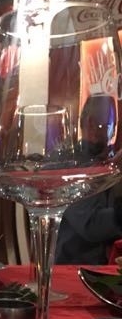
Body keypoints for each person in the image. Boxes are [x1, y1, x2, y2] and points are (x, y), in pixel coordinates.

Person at [55, 95, 122, 265]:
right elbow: (91, 225)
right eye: (108, 124)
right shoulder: (68, 164)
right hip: (75, 268)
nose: (111, 132)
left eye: (113, 125)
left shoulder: (107, 161)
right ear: (89, 123)